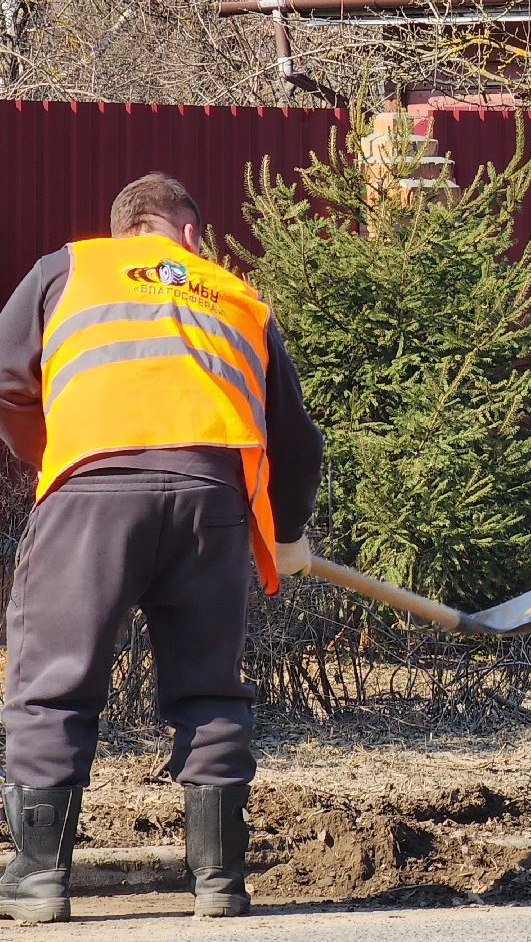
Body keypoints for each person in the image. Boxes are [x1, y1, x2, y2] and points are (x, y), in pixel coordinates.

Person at [0, 173, 324, 923]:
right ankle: (220, 882)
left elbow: (7, 384)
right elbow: (297, 442)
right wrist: (288, 532)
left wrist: (51, 455)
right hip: (212, 504)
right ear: (189, 235)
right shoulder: (239, 298)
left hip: (90, 499)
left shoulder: (67, 270)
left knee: (53, 682)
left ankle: (40, 880)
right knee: (210, 689)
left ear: (125, 231)